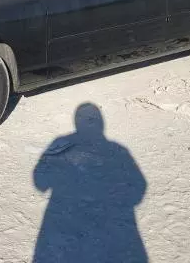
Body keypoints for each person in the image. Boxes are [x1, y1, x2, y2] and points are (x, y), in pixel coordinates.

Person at [33, 103, 148, 263]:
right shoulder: (118, 150)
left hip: (68, 226)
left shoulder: (64, 143)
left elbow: (40, 182)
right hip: (104, 231)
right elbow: (138, 188)